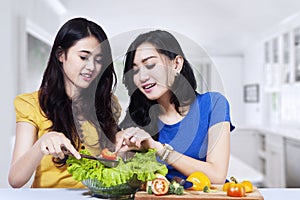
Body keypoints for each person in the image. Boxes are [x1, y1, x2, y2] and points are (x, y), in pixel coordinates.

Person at [8, 17, 121, 188]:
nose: (92, 67)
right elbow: (15, 180)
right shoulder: (31, 104)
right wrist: (41, 144)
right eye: (84, 57)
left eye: (98, 60)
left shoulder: (107, 103)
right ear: (61, 55)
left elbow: (114, 159)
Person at [115, 30, 235, 184]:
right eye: (136, 70)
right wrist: (123, 151)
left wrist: (159, 149)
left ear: (176, 64)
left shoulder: (213, 104)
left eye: (150, 64)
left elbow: (217, 175)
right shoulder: (139, 119)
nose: (142, 77)